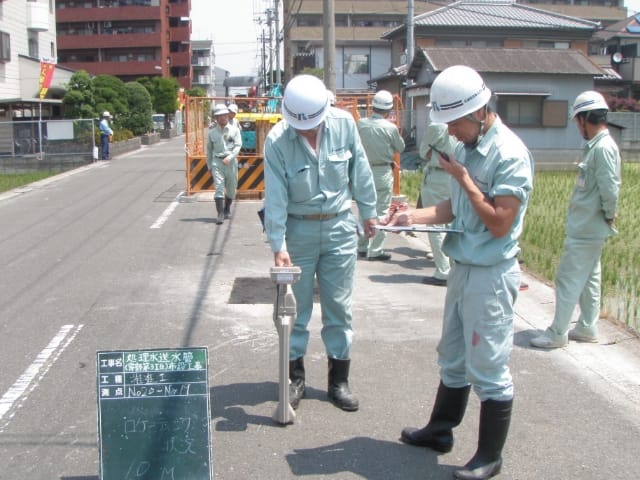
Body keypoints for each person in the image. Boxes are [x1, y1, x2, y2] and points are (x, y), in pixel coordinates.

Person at [386, 65, 533, 480]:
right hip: (463, 267)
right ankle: (440, 430)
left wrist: (466, 180)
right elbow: (453, 209)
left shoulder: (509, 154)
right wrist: (409, 216)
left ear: (480, 111)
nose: (451, 131)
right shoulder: (466, 147)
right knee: (452, 355)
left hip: (491, 273)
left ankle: (490, 456)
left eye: (455, 122)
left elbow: (499, 222)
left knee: (488, 366)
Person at [264, 74, 378, 412]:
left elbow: (361, 170)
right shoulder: (277, 140)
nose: (306, 132)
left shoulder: (344, 124)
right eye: (300, 127)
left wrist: (369, 212)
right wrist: (278, 244)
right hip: (298, 230)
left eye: (312, 126)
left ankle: (338, 380)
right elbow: (275, 198)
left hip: (340, 227)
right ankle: (295, 378)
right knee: (292, 311)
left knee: (339, 306)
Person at [530, 91, 621, 349]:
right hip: (588, 226)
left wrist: (609, 215)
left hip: (587, 228)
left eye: (576, 121)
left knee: (567, 279)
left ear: (584, 119)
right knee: (590, 277)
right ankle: (587, 326)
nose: (577, 127)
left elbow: (610, 188)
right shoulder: (596, 146)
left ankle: (557, 332)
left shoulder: (602, 148)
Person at [356, 90, 405, 261]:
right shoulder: (390, 128)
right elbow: (401, 147)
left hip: (363, 171)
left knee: (364, 208)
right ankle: (375, 250)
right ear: (389, 110)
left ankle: (361, 246)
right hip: (383, 170)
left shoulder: (361, 124)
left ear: (372, 106)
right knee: (382, 210)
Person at [418, 122, 458, 284]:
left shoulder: (437, 126)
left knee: (435, 224)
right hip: (457, 175)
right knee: (453, 223)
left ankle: (443, 270)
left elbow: (423, 152)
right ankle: (455, 268)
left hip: (438, 176)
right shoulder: (460, 122)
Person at [206, 104, 242, 225]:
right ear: (216, 118)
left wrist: (230, 157)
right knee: (219, 187)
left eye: (225, 115)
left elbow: (238, 146)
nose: (223, 118)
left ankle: (227, 208)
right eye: (220, 116)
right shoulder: (211, 133)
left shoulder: (235, 130)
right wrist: (209, 166)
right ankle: (220, 214)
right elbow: (209, 150)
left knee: (231, 188)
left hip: (231, 162)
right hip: (217, 162)